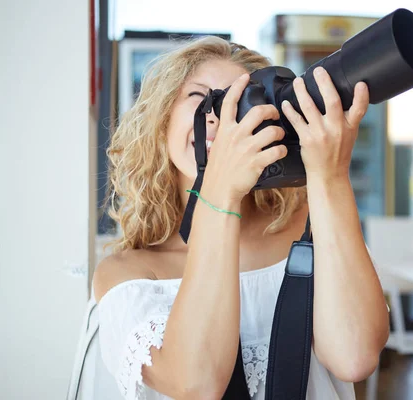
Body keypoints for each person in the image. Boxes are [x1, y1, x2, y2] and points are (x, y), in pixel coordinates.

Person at [93, 36, 390, 400]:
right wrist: (220, 192)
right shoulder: (128, 274)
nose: (221, 116)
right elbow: (197, 384)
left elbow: (354, 357)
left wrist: (329, 176)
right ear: (162, 120)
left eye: (241, 100)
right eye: (201, 98)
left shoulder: (310, 230)